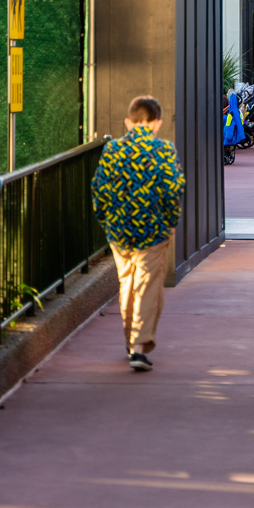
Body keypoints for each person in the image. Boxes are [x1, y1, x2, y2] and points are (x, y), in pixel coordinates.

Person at [91, 96, 186, 372]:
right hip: (152, 231)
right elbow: (172, 189)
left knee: (127, 283)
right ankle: (138, 347)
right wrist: (170, 222)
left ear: (128, 123)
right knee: (146, 285)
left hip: (119, 232)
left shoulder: (112, 150)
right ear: (157, 123)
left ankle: (129, 339)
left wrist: (106, 221)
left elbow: (99, 188)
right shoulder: (164, 150)